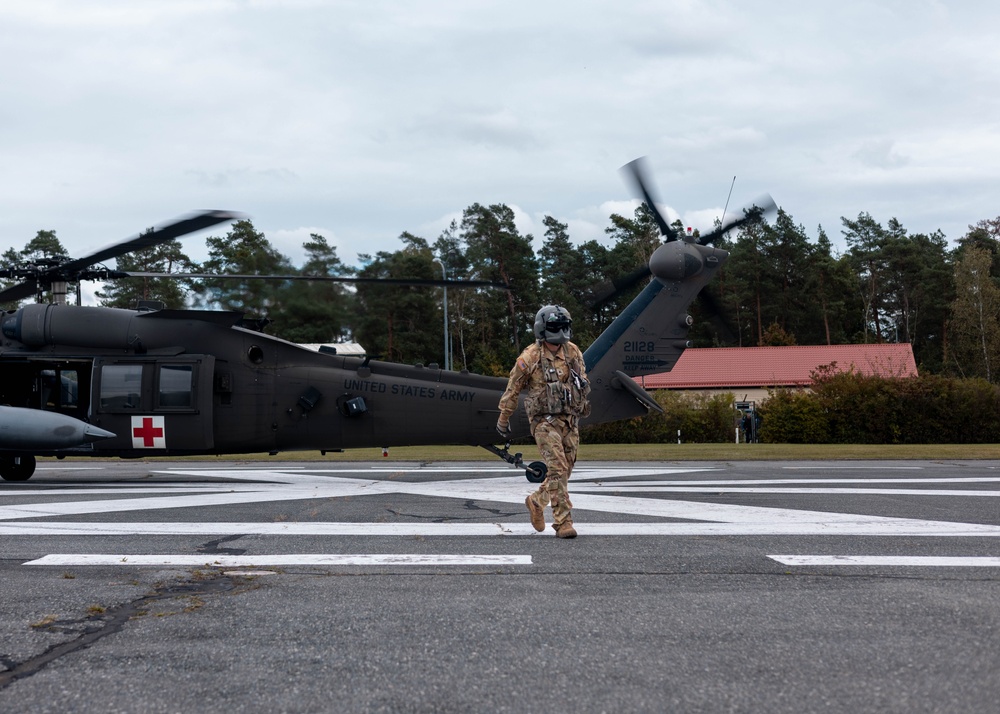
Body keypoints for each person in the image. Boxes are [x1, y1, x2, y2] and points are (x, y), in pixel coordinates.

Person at [496, 305, 591, 538]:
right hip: (544, 422)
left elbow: (583, 381)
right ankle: (563, 522)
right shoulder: (530, 357)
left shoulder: (573, 352)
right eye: (555, 327)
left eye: (563, 326)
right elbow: (513, 388)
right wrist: (503, 418)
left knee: (564, 470)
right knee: (557, 468)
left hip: (569, 420)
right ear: (543, 329)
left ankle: (537, 501)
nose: (561, 331)